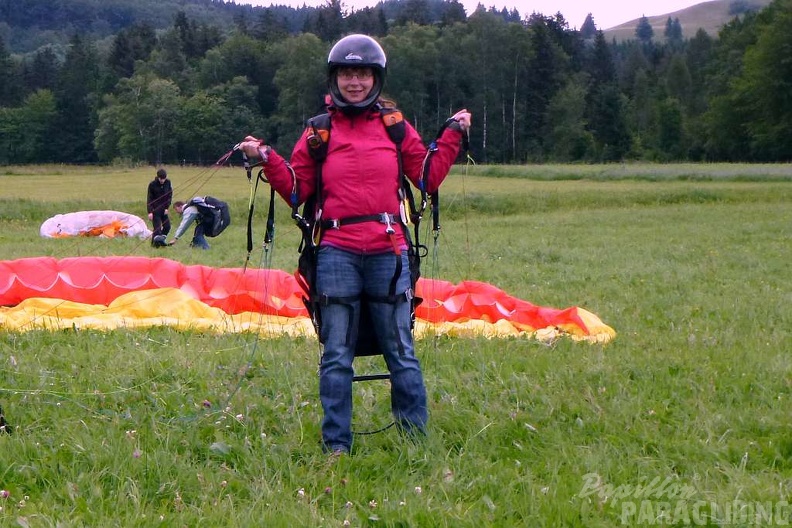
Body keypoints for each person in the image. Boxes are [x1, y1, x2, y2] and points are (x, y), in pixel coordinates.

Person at [239, 34, 471, 455]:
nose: (355, 82)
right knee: (337, 354)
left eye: (363, 73)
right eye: (347, 73)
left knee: (400, 350)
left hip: (389, 252)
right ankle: (336, 447)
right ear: (335, 78)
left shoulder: (395, 126)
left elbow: (426, 178)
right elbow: (297, 190)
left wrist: (452, 134)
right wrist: (268, 158)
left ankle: (414, 442)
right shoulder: (318, 132)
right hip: (337, 252)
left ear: (375, 78)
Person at [166, 196, 231, 250]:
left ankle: (206, 248)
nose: (177, 212)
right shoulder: (193, 205)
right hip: (212, 218)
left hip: (213, 218)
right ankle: (195, 246)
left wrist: (175, 238)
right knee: (199, 229)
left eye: (176, 210)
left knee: (199, 230)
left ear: (179, 206)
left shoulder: (189, 209)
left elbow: (184, 224)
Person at [147, 168, 172, 247]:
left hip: (164, 209)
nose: (162, 180)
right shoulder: (152, 184)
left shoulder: (168, 183)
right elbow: (149, 198)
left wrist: (167, 207)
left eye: (164, 179)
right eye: (161, 179)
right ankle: (155, 245)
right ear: (158, 177)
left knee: (167, 226)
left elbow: (169, 196)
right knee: (157, 228)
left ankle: (160, 241)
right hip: (155, 209)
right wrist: (150, 211)